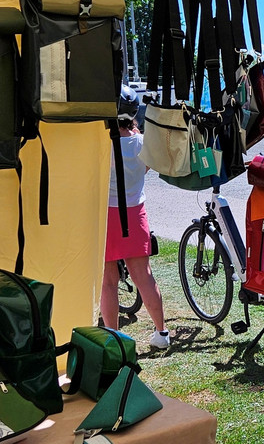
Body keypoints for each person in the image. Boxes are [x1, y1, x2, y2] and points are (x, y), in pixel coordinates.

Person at [101, 86, 171, 349]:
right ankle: (161, 333)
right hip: (135, 213)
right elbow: (148, 166)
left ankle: (113, 341)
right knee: (144, 275)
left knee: (108, 281)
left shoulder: (98, 145)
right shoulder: (141, 143)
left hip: (106, 214)